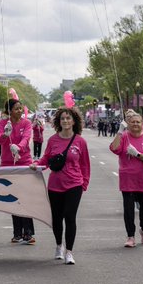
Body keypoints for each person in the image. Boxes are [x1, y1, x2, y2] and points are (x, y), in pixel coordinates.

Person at [33, 106, 90, 264]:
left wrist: (83, 184)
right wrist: (36, 165)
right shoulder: (53, 140)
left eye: (68, 118)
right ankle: (59, 245)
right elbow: (46, 159)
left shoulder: (80, 141)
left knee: (70, 217)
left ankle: (69, 252)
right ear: (59, 121)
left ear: (73, 121)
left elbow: (85, 165)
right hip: (55, 185)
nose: (65, 121)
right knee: (57, 219)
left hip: (74, 185)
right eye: (62, 118)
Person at [110, 110, 143, 248]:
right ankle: (130, 236)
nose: (135, 124)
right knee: (129, 210)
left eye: (138, 122)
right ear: (128, 124)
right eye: (132, 122)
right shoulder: (124, 137)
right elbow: (114, 148)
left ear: (142, 124)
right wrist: (119, 131)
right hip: (128, 180)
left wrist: (137, 154)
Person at [0, 98, 35, 242]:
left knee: (25, 198)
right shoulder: (3, 123)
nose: (20, 111)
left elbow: (26, 138)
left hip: (24, 163)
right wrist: (5, 134)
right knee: (13, 198)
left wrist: (19, 147)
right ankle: (17, 233)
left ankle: (28, 233)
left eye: (21, 108)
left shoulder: (27, 123)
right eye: (16, 109)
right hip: (7, 164)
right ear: (10, 111)